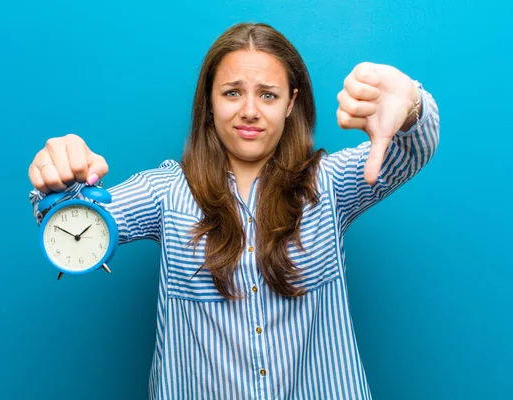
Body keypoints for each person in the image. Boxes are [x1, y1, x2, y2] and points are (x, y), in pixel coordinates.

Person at [28, 22, 439, 400]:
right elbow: (77, 219)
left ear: (291, 103)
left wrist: (412, 106)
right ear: (209, 101)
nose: (249, 111)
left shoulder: (329, 185)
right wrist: (60, 180)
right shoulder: (166, 191)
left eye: (268, 94)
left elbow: (411, 148)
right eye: (232, 92)